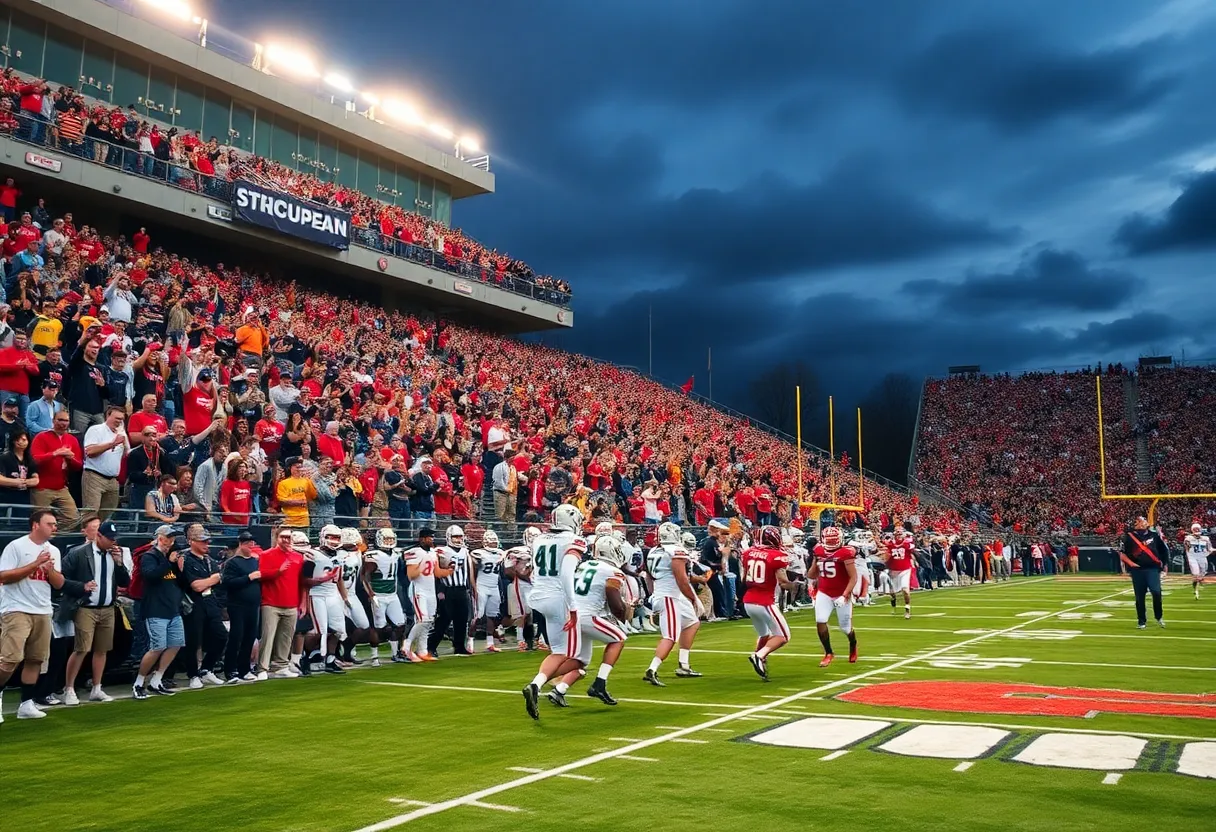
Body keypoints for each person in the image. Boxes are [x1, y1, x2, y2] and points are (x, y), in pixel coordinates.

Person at [0, 509, 91, 720]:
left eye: (55, 524)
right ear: (35, 525)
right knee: (10, 659)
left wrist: (49, 569)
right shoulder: (17, 546)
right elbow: (3, 576)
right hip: (16, 608)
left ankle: (26, 703)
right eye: (50, 524)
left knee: (36, 659)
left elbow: (59, 584)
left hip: (42, 609)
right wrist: (34, 564)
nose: (54, 527)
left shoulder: (54, 550)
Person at [546, 533, 630, 708]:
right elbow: (614, 600)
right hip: (587, 616)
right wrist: (624, 612)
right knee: (619, 638)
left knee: (581, 661)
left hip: (573, 615)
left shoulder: (585, 565)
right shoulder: (613, 571)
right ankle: (600, 683)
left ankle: (553, 687)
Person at [521, 505, 589, 719]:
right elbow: (567, 574)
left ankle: (536, 685)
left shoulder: (540, 538)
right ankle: (543, 683)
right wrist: (573, 607)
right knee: (578, 658)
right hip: (559, 598)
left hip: (538, 596)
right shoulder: (573, 541)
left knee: (559, 651)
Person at [59, 518, 130, 705]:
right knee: (81, 648)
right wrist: (82, 587)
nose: (113, 541)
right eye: (109, 538)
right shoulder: (79, 553)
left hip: (107, 608)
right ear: (98, 536)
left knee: (102, 649)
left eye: (115, 538)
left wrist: (119, 563)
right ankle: (69, 688)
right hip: (85, 607)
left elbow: (125, 582)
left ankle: (97, 688)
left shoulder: (114, 554)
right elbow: (60, 579)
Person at [641, 520, 704, 689]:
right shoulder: (676, 550)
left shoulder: (654, 550)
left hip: (664, 595)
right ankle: (652, 669)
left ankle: (684, 665)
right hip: (669, 597)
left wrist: (652, 595)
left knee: (692, 622)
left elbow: (648, 576)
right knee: (670, 637)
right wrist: (693, 598)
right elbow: (682, 580)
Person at [742, 526, 802, 681]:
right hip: (765, 602)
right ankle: (759, 655)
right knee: (783, 636)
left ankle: (761, 661)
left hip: (748, 601)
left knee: (764, 634)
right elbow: (782, 582)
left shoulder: (748, 553)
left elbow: (744, 578)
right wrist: (795, 585)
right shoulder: (776, 555)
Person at [133, 524, 186, 699]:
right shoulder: (149, 556)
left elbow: (178, 581)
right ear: (160, 538)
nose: (171, 541)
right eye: (168, 538)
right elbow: (151, 575)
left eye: (172, 538)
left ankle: (157, 679)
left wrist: (178, 567)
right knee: (157, 647)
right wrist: (169, 562)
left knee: (176, 643)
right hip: (155, 608)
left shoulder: (170, 556)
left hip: (172, 607)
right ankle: (139, 682)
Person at [179, 524, 227, 689]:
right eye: (202, 541)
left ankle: (206, 669)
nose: (206, 545)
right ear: (191, 541)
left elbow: (216, 582)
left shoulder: (210, 561)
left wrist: (211, 580)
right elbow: (196, 586)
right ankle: (193, 675)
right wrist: (213, 578)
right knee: (192, 641)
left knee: (221, 636)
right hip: (193, 604)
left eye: (207, 541)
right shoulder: (185, 559)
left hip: (210, 603)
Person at [256, 527, 303, 679]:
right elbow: (261, 575)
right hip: (271, 602)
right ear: (276, 537)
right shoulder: (266, 555)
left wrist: (302, 602)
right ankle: (262, 668)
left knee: (286, 637)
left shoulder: (298, 557)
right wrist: (278, 571)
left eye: (289, 537)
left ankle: (281, 665)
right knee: (268, 637)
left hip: (291, 602)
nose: (287, 540)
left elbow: (300, 582)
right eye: (283, 537)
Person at [810, 526, 859, 667]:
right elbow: (811, 574)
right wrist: (815, 561)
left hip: (841, 593)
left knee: (845, 627)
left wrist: (845, 595)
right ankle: (828, 653)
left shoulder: (846, 552)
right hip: (824, 592)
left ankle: (853, 644)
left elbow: (853, 577)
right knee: (820, 620)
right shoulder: (818, 550)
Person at [402, 527, 453, 662]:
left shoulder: (432, 552)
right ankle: (406, 646)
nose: (432, 539)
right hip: (419, 590)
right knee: (422, 619)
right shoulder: (414, 552)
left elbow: (436, 573)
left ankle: (422, 650)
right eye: (429, 537)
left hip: (430, 589)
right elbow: (411, 575)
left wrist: (449, 570)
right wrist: (421, 565)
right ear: (422, 539)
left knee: (429, 620)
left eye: (432, 537)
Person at [221, 531, 263, 683]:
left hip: (253, 605)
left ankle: (244, 669)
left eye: (251, 543)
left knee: (250, 637)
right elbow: (227, 583)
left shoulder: (254, 561)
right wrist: (248, 578)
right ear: (241, 544)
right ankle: (230, 670)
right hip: (237, 605)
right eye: (247, 543)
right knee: (236, 637)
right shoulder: (232, 562)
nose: (250, 545)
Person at [29, 409, 81, 525]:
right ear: (53, 421)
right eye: (60, 420)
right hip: (42, 487)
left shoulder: (72, 439)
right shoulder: (41, 437)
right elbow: (34, 460)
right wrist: (55, 453)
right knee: (41, 521)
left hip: (61, 487)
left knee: (73, 519)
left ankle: (55, 539)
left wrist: (70, 458)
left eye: (66, 420)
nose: (63, 423)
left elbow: (78, 466)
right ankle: (43, 539)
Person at [429, 525, 473, 657]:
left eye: (460, 536)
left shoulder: (465, 551)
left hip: (461, 589)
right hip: (447, 589)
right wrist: (439, 590)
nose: (458, 539)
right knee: (444, 619)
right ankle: (431, 646)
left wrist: (470, 587)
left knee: (462, 619)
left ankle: (459, 646)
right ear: (448, 537)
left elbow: (468, 572)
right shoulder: (440, 551)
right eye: (455, 536)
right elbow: (435, 570)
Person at [1119, 515, 1170, 629]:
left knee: (1156, 592)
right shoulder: (1128, 536)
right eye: (1138, 521)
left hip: (1152, 568)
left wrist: (1164, 564)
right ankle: (1141, 621)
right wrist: (1131, 564)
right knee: (1139, 597)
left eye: (1143, 520)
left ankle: (1159, 616)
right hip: (1137, 570)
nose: (1142, 523)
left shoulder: (1154, 535)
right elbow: (1122, 553)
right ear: (1135, 524)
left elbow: (1163, 551)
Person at [364, 526, 406, 666]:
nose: (389, 542)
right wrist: (371, 593)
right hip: (379, 595)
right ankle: (374, 656)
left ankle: (395, 653)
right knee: (379, 628)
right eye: (386, 539)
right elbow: (365, 576)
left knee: (400, 625)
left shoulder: (396, 553)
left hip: (392, 595)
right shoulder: (373, 555)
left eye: (391, 539)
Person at [81, 405, 128, 521]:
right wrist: (112, 444)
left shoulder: (122, 434)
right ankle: (86, 538)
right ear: (108, 415)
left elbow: (126, 454)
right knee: (91, 512)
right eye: (116, 418)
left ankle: (99, 538)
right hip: (94, 477)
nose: (119, 421)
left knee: (108, 515)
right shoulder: (96, 430)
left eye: (121, 419)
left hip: (113, 480)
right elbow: (90, 451)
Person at [470, 529, 506, 653]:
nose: (494, 544)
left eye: (495, 542)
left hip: (494, 586)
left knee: (492, 616)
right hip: (482, 586)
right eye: (491, 542)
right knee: (478, 616)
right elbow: (472, 572)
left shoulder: (500, 553)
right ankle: (470, 642)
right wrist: (474, 587)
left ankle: (490, 643)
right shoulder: (478, 553)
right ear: (485, 542)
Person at [0, 427, 38, 512]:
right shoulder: (4, 458)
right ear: (13, 441)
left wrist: (23, 482)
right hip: (6, 498)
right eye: (18, 439)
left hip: (24, 499)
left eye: (24, 439)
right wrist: (15, 482)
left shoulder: (29, 459)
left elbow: (36, 479)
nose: (21, 442)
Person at [881, 527, 915, 619]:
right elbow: (886, 555)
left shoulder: (907, 543)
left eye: (900, 534)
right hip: (893, 570)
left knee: (905, 589)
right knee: (892, 592)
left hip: (905, 569)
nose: (899, 536)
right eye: (897, 534)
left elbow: (912, 550)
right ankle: (894, 601)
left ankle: (907, 609)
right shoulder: (890, 544)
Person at [276, 456, 317, 527]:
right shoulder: (283, 483)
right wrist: (299, 502)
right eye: (296, 467)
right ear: (290, 468)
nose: (299, 469)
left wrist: (309, 480)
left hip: (304, 519)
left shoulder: (306, 481)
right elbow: (282, 501)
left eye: (300, 467)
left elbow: (313, 496)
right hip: (289, 519)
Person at [1184, 523, 1212, 600]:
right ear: (1192, 530)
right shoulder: (1188, 538)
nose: (1196, 530)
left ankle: (1196, 584)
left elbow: (1209, 549)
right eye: (1195, 529)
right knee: (1196, 575)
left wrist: (1207, 553)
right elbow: (1187, 549)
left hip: (1202, 557)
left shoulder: (1206, 538)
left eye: (1198, 529)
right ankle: (1196, 590)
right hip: (1193, 557)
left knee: (1200, 576)